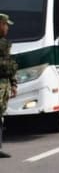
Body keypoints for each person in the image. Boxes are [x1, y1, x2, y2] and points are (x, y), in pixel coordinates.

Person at [0, 13, 17, 159]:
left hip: (4, 84)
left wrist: (13, 84)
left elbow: (10, 64)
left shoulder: (5, 43)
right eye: (5, 25)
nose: (7, 28)